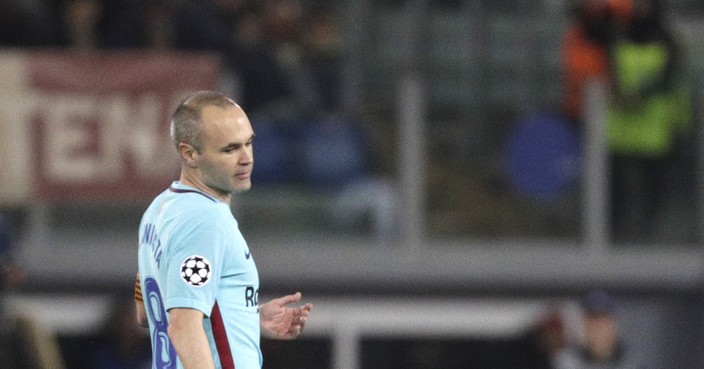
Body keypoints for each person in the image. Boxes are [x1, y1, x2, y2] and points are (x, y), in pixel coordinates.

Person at [135, 90, 313, 369]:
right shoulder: (204, 220)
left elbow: (147, 313)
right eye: (230, 149)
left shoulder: (159, 210)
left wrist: (244, 316)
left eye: (248, 144)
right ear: (189, 154)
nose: (246, 158)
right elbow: (182, 326)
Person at [605, 0, 692, 242]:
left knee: (653, 183)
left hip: (654, 127)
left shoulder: (668, 41)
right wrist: (622, 95)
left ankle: (648, 230)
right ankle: (616, 229)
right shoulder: (619, 36)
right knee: (617, 184)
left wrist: (640, 96)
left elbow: (669, 79)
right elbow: (610, 71)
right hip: (622, 126)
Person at [556, 290, 644, 369]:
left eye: (602, 323)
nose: (597, 331)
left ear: (614, 327)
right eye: (591, 323)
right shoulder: (567, 363)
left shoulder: (632, 364)